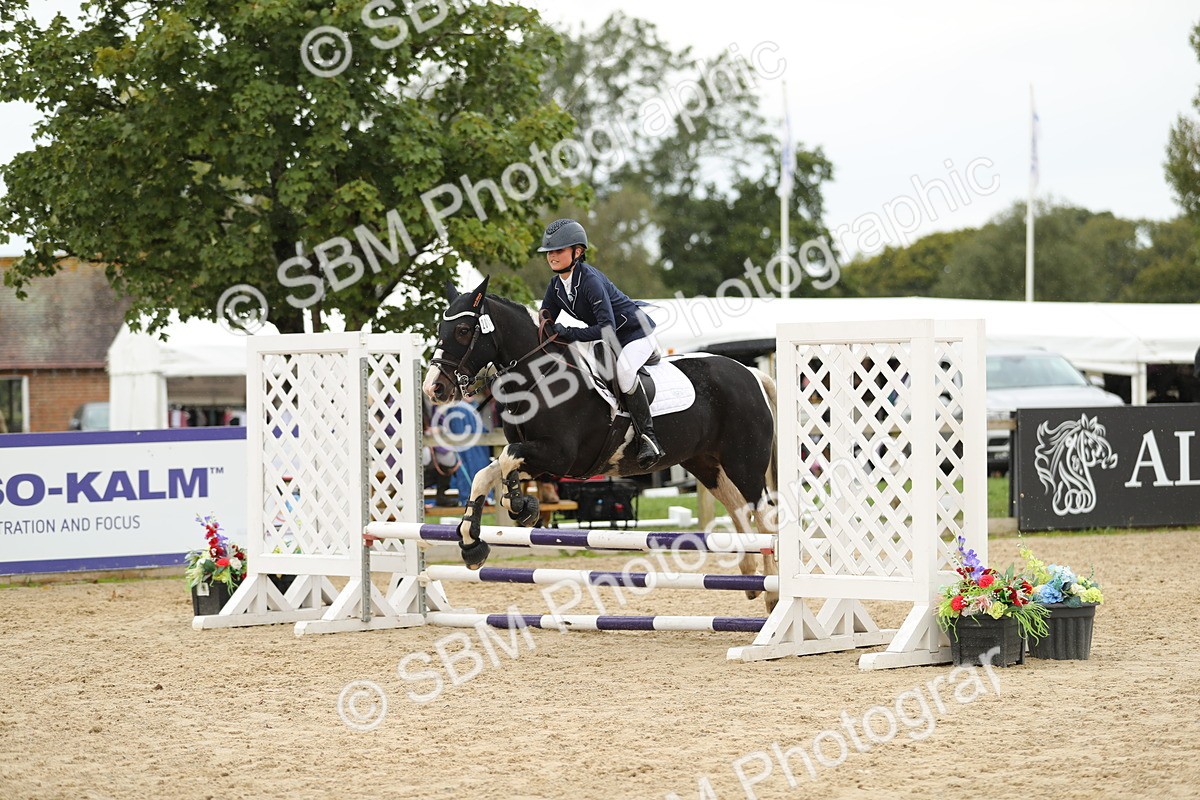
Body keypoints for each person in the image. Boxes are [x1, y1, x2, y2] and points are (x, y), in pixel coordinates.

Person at [537, 218, 663, 469]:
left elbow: (605, 329)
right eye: (549, 252)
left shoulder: (590, 281)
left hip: (635, 333)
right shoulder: (556, 286)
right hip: (610, 338)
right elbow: (545, 317)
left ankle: (648, 437)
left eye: (558, 250)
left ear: (578, 251)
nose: (552, 256)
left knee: (625, 374)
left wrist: (568, 331)